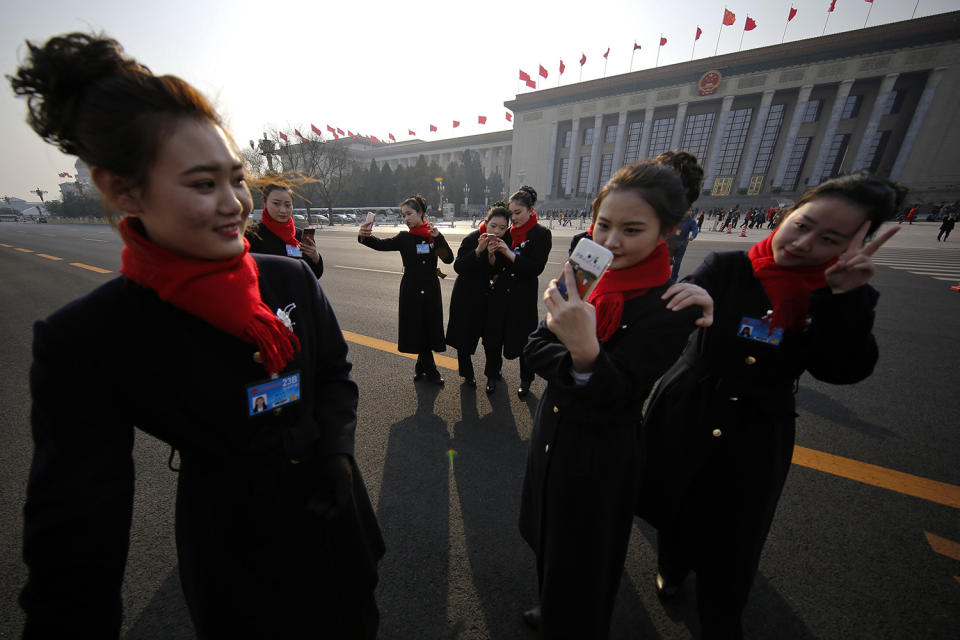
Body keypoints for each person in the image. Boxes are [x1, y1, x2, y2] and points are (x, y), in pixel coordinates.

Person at [12, 32, 384, 638]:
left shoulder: (288, 278)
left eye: (236, 178)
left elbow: (333, 375)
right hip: (236, 562)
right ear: (122, 191)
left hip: (338, 532)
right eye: (202, 184)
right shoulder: (90, 338)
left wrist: (339, 456)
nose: (235, 202)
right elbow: (75, 550)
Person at [638, 171, 904, 639]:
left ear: (850, 247)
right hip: (688, 408)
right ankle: (673, 565)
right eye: (802, 224)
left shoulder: (840, 291)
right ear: (786, 213)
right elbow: (671, 317)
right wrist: (684, 303)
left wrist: (845, 299)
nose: (803, 244)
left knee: (738, 536)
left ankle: (722, 621)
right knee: (675, 503)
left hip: (758, 427)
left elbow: (843, 369)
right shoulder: (726, 267)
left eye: (829, 239)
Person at [518, 160, 708, 638]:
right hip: (553, 432)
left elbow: (622, 393)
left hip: (603, 452)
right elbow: (535, 346)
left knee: (588, 558)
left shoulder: (669, 305)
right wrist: (573, 355)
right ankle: (552, 603)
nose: (610, 240)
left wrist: (584, 351)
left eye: (632, 229)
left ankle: (578, 622)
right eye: (604, 223)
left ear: (667, 231)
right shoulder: (584, 271)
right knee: (549, 536)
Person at [358, 194, 453, 384]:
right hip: (411, 289)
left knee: (427, 326)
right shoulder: (404, 238)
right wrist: (364, 235)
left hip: (431, 289)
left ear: (420, 213)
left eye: (409, 214)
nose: (406, 219)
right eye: (403, 215)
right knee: (417, 327)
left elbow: (448, 259)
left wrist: (439, 238)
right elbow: (380, 245)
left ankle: (420, 366)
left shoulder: (432, 235)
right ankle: (431, 370)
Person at [484, 185, 552, 397]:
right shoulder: (506, 233)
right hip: (500, 293)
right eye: (511, 213)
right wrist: (492, 255)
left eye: (518, 212)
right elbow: (495, 268)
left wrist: (510, 254)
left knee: (524, 339)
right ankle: (493, 374)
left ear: (531, 209)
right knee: (493, 337)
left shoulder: (541, 234)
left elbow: (535, 268)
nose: (513, 218)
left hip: (523, 295)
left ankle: (526, 379)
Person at [445, 203, 511, 390]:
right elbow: (458, 267)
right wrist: (478, 251)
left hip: (490, 299)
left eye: (502, 228)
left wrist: (492, 258)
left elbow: (501, 271)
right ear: (485, 223)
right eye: (493, 226)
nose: (497, 231)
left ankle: (492, 374)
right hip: (466, 297)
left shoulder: (505, 244)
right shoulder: (472, 239)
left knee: (492, 340)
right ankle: (468, 374)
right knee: (464, 339)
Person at [247, 183, 323, 278]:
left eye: (287, 205)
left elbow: (314, 276)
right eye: (276, 204)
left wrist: (315, 257)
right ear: (264, 202)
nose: (283, 210)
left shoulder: (300, 235)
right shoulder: (251, 234)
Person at [659, 151, 704, 281]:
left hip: (680, 245)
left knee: (676, 264)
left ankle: (673, 278)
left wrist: (692, 235)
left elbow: (695, 228)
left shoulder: (688, 221)